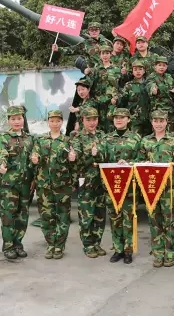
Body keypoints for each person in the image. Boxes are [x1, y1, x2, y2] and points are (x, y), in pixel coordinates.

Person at [30, 109, 75, 259]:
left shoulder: (67, 141)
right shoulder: (41, 140)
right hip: (44, 185)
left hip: (62, 186)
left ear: (62, 122)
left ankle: (59, 246)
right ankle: (50, 244)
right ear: (48, 122)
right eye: (52, 121)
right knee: (46, 216)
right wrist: (34, 159)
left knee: (63, 216)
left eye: (58, 121)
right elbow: (34, 156)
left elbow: (73, 164)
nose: (55, 123)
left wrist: (72, 159)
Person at [140, 109, 174, 268]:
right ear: (152, 122)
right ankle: (158, 253)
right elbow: (139, 160)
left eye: (161, 121)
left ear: (166, 122)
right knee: (154, 221)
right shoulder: (145, 141)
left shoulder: (173, 141)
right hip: (151, 187)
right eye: (155, 121)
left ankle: (170, 253)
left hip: (168, 188)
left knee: (169, 221)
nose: (158, 124)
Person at [0, 105, 36, 260]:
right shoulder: (4, 138)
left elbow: (34, 158)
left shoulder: (30, 139)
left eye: (19, 118)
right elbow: (2, 153)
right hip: (9, 185)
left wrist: (34, 177)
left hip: (25, 184)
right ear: (9, 121)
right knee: (8, 216)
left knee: (22, 216)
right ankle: (8, 246)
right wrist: (2, 164)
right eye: (13, 119)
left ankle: (18, 244)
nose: (17, 121)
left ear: (23, 119)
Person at [104, 108, 142, 265]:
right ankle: (117, 249)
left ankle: (128, 251)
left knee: (128, 218)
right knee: (115, 218)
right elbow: (102, 159)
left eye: (122, 117)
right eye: (116, 118)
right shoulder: (107, 139)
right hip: (112, 185)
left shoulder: (136, 138)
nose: (119, 120)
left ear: (128, 119)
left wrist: (129, 163)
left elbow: (142, 159)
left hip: (129, 185)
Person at [69, 107, 108, 258]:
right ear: (82, 120)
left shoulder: (102, 135)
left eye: (94, 119)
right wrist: (91, 156)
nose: (92, 123)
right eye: (88, 120)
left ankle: (97, 243)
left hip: (101, 181)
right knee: (86, 215)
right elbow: (77, 158)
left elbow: (107, 155)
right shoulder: (77, 137)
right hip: (86, 181)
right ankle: (88, 245)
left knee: (100, 214)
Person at [116, 59, 151, 136]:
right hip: (134, 119)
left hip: (148, 118)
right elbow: (122, 102)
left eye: (140, 69)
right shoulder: (128, 85)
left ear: (144, 71)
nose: (138, 71)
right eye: (135, 69)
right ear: (132, 71)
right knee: (135, 139)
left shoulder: (149, 84)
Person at [146, 56, 174, 133]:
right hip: (159, 111)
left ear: (167, 67)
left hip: (170, 110)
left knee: (172, 134)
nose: (161, 67)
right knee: (159, 134)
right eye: (159, 65)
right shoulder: (152, 77)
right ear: (155, 66)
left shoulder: (169, 77)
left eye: (164, 65)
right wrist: (154, 89)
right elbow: (150, 86)